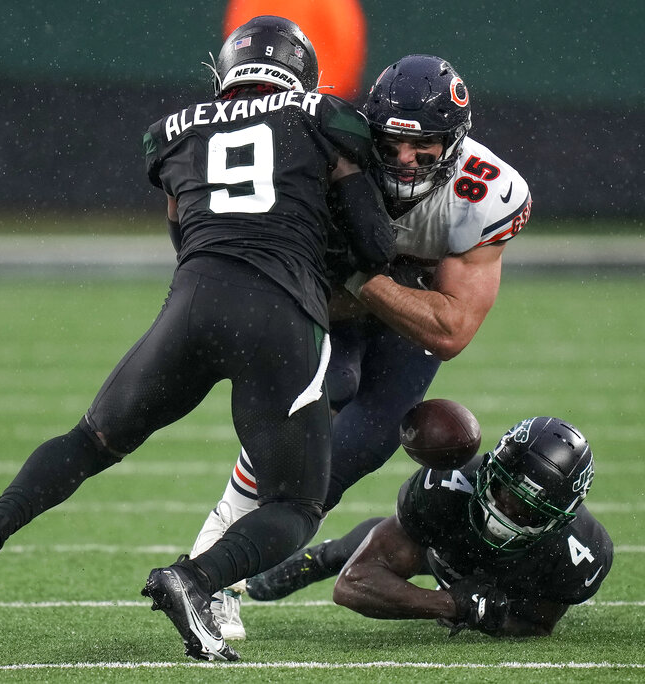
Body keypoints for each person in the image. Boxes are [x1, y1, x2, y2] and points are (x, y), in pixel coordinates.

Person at [0, 15, 395, 663]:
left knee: (89, 440)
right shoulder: (325, 117)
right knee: (296, 503)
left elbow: (182, 233)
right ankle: (193, 579)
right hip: (280, 312)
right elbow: (375, 246)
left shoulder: (172, 132)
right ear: (302, 75)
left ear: (226, 72)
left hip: (192, 304)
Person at [188, 54, 534, 640]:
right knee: (317, 404)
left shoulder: (486, 193)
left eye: (423, 146)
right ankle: (209, 573)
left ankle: (227, 568)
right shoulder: (325, 157)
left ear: (455, 141)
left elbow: (449, 332)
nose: (403, 160)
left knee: (357, 450)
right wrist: (368, 283)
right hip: (323, 303)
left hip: (396, 315)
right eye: (391, 143)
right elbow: (287, 288)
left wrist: (363, 277)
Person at [249, 416, 613, 638]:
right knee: (381, 550)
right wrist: (450, 605)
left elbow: (537, 624)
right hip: (446, 550)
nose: (506, 509)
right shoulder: (450, 485)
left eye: (526, 509)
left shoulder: (581, 553)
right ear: (490, 469)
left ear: (559, 516)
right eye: (503, 488)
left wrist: (493, 616)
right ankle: (322, 556)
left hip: (512, 577)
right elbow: (354, 584)